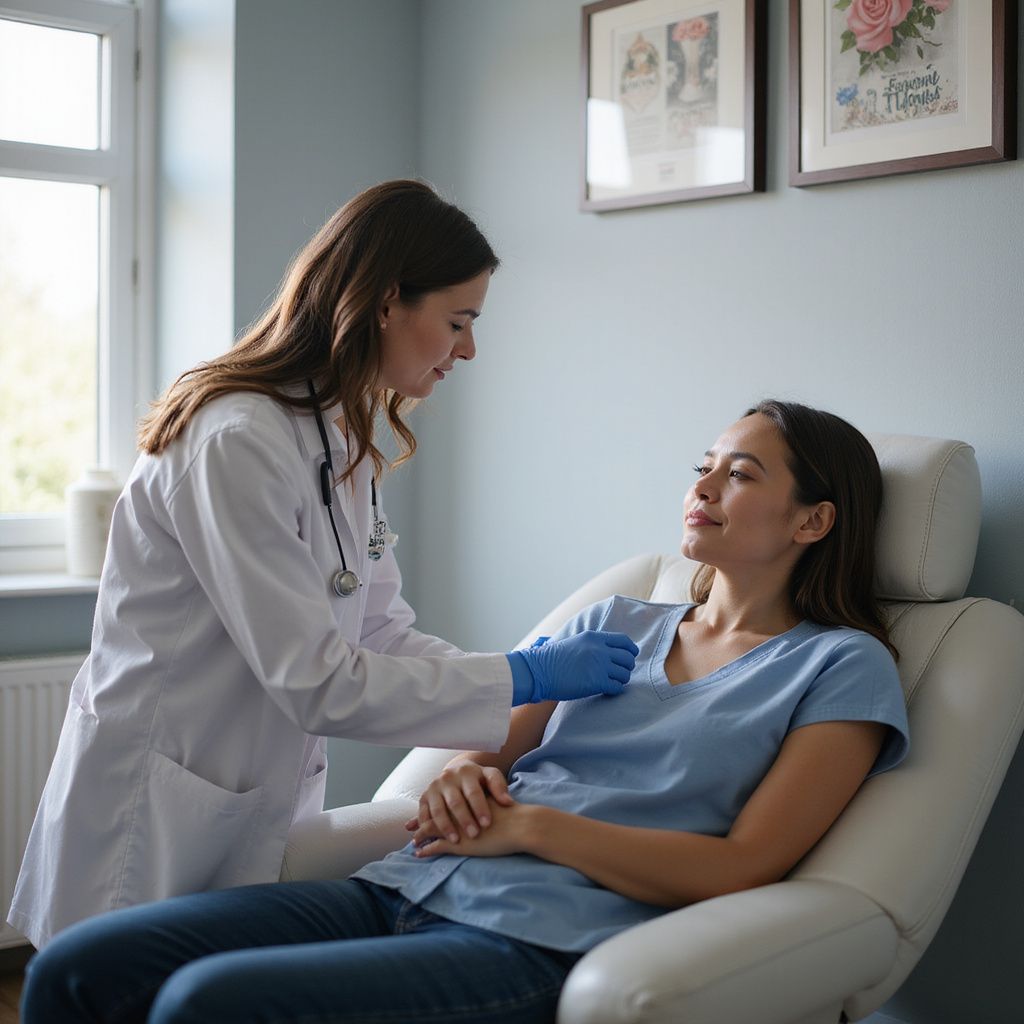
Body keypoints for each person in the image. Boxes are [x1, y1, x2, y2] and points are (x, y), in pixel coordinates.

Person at [21, 400, 910, 1024]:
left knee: (203, 1006)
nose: (704, 486)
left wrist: (532, 831)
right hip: (411, 885)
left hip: (543, 940)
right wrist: (457, 780)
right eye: (703, 467)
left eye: (741, 474)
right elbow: (485, 751)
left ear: (813, 521)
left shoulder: (839, 666)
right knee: (78, 967)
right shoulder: (618, 622)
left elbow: (742, 869)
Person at [7, 179, 639, 952]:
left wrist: (509, 672)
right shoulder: (235, 439)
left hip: (245, 805)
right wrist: (520, 678)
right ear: (384, 303)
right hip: (155, 809)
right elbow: (318, 681)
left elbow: (378, 630)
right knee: (114, 986)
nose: (468, 349)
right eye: (458, 321)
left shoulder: (341, 438)